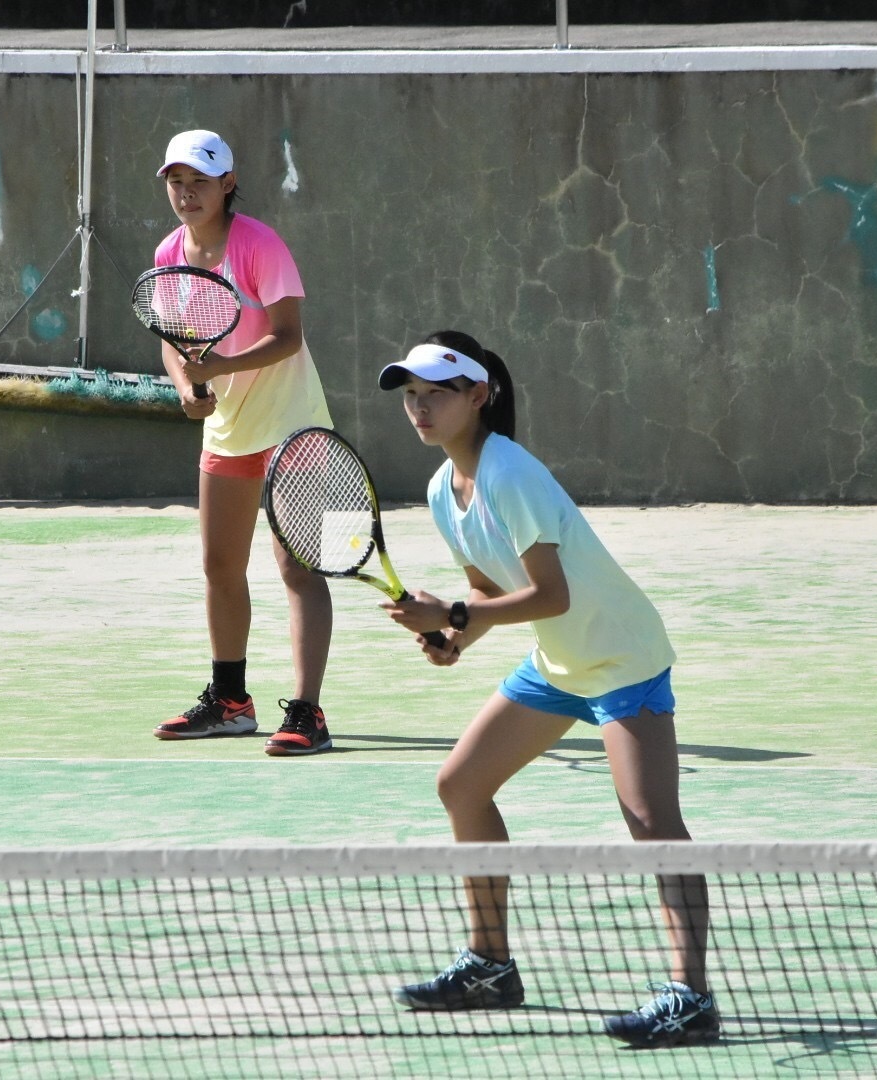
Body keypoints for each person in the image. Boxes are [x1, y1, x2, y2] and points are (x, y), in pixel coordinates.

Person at [377, 331, 719, 1048]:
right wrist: (454, 638)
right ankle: (490, 965)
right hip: (558, 664)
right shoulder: (445, 488)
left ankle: (691, 996)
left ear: (479, 395)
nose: (420, 408)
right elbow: (487, 585)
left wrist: (457, 616)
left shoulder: (512, 474)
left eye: (435, 393)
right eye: (411, 396)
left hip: (621, 658)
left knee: (650, 821)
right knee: (461, 784)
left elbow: (551, 594)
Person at [148, 129, 337, 757]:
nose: (185, 193)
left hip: (293, 427)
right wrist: (185, 385)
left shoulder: (259, 244)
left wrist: (213, 372)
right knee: (219, 568)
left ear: (227, 184)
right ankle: (231, 702)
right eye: (176, 182)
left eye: (198, 181)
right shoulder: (169, 253)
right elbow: (173, 341)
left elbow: (287, 335)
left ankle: (308, 713)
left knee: (298, 568)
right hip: (228, 428)